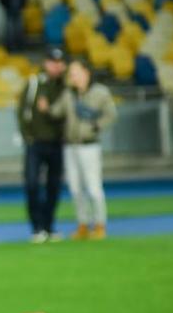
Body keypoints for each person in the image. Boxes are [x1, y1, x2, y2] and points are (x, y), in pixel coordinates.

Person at [50, 60, 117, 240]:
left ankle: (100, 224)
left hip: (89, 145)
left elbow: (111, 114)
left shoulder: (99, 92)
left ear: (86, 72)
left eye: (75, 72)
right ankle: (83, 224)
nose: (72, 76)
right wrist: (47, 105)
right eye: (70, 73)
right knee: (75, 188)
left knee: (93, 187)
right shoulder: (69, 93)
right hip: (70, 145)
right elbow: (56, 112)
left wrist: (96, 126)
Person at [16, 48, 67, 243]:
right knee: (31, 184)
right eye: (53, 62)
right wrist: (27, 136)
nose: (56, 66)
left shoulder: (65, 85)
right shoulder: (34, 83)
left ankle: (48, 225)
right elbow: (22, 111)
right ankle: (37, 227)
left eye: (59, 62)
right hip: (36, 143)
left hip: (57, 142)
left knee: (54, 186)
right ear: (46, 63)